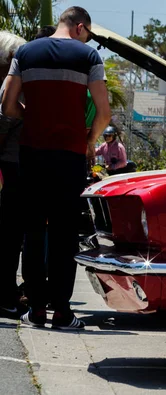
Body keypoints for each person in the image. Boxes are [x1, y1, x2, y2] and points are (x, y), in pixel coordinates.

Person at [3, 6, 111, 330]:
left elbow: (8, 103)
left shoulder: (25, 52)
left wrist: (33, 118)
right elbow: (104, 112)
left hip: (31, 153)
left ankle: (35, 309)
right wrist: (89, 137)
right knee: (64, 234)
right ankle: (62, 311)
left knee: (33, 231)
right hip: (69, 155)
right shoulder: (88, 57)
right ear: (80, 27)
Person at [0, 31, 27, 318]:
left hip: (11, 169)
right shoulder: (13, 88)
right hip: (11, 169)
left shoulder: (12, 85)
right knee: (9, 239)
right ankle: (6, 296)